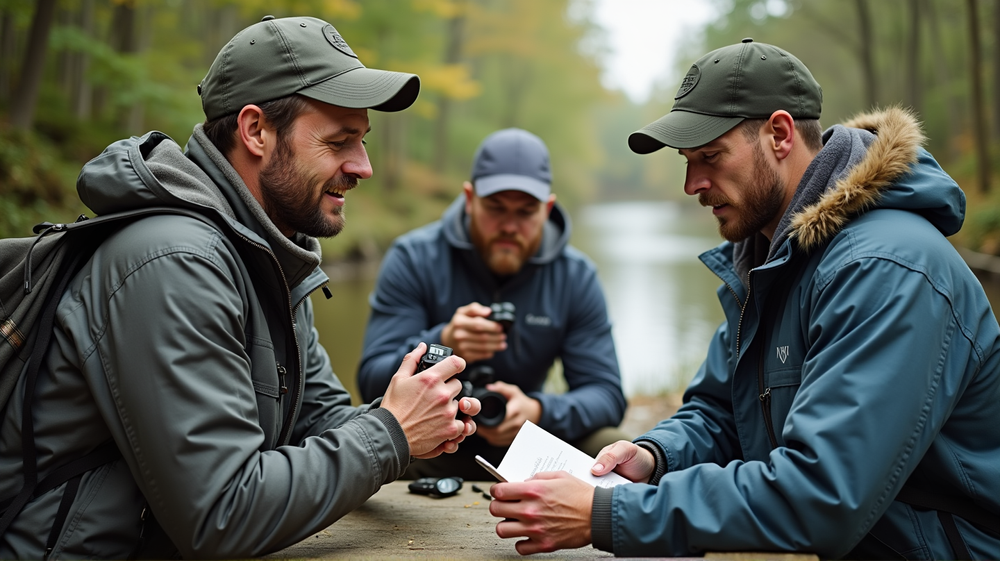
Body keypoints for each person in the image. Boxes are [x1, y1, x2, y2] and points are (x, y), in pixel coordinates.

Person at [487, 39, 1000, 559]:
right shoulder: (771, 257)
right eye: (688, 162)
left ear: (779, 134)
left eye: (710, 157)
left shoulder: (885, 269)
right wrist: (653, 456)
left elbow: (822, 496)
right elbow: (722, 410)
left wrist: (608, 515)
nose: (692, 184)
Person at [0, 16, 483, 559]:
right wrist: (391, 433)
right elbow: (222, 513)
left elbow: (317, 422)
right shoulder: (174, 261)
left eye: (363, 140)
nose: (363, 166)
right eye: (340, 141)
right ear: (256, 131)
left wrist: (427, 424)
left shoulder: (269, 252)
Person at [356, 128, 628, 480]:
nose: (510, 226)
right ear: (470, 199)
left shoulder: (575, 276)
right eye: (496, 208)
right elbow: (371, 381)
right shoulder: (413, 258)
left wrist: (539, 410)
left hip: (527, 442)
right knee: (364, 441)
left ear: (547, 209)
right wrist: (443, 342)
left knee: (613, 447)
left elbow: (607, 396)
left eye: (526, 212)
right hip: (431, 440)